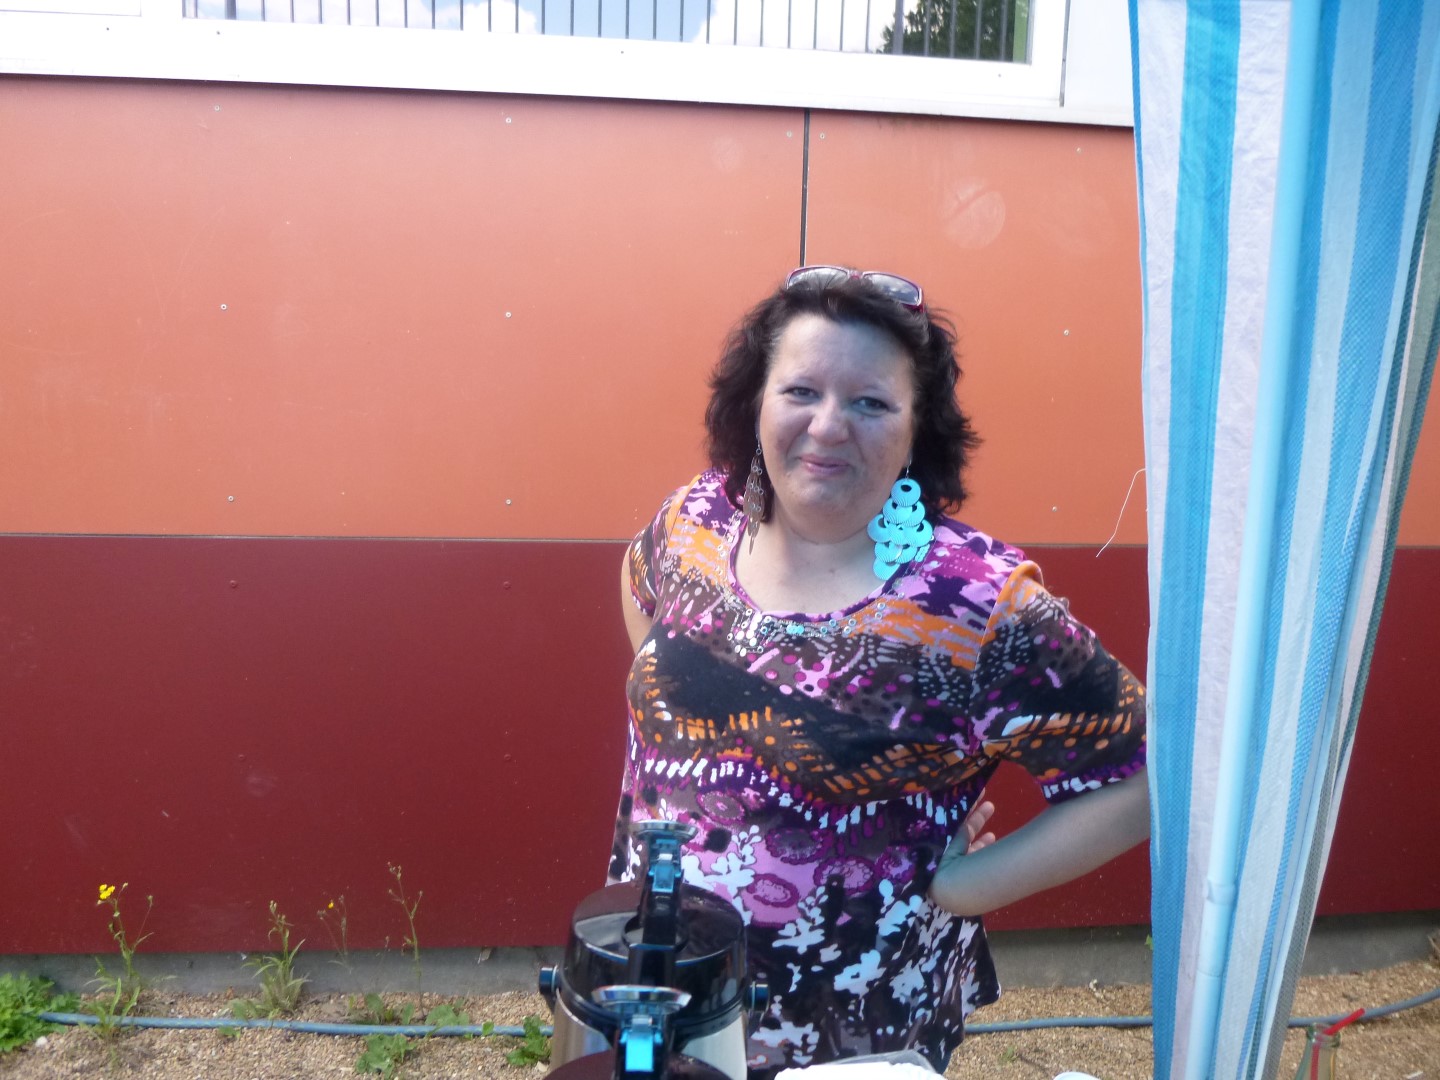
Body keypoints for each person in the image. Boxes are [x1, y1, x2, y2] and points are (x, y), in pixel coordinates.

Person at [610, 266, 1149, 1076]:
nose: (828, 427)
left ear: (917, 429)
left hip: (848, 1034)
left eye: (870, 403)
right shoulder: (697, 520)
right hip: (654, 984)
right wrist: (684, 722)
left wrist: (968, 887)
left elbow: (1137, 780)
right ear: (755, 402)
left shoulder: (975, 604)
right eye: (801, 391)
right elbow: (640, 587)